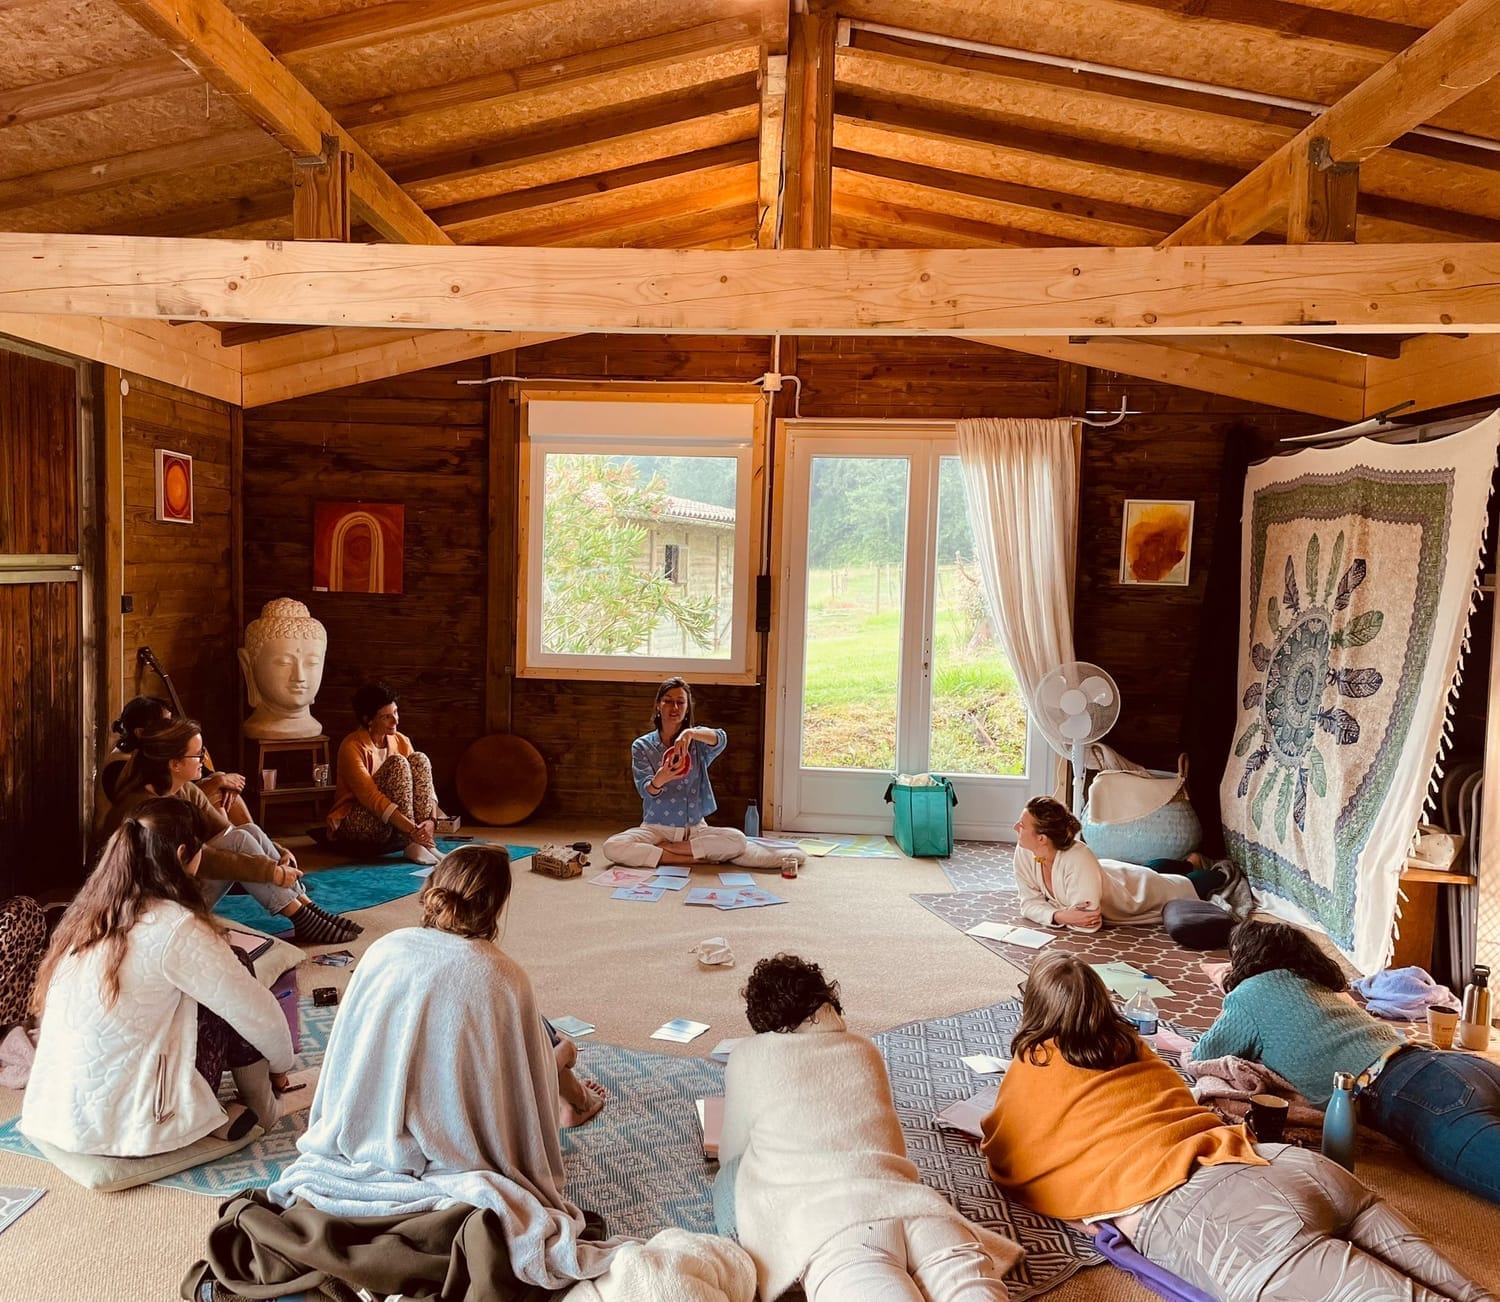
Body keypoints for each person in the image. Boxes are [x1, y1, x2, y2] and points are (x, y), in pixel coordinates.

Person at [981, 950, 1490, 1302]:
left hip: (1213, 1214)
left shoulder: (1034, 1061)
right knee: (1473, 1292)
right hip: (1281, 1163)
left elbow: (1007, 1153)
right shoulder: (1131, 1044)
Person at [267, 844, 623, 1291]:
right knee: (548, 1044)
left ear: (434, 890)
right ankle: (570, 1079)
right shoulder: (503, 976)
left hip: (366, 1130)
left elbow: (349, 1047)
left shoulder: (384, 948)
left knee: (529, 1039)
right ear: (496, 906)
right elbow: (518, 1088)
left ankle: (565, 1068)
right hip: (454, 1145)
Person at [719, 953, 1021, 1302]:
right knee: (973, 1291)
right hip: (917, 1207)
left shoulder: (748, 1055)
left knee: (731, 1180)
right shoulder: (864, 1048)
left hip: (834, 1226)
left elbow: (730, 1152)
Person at [22, 799, 295, 1161]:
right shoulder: (176, 926)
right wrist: (282, 1066)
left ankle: (214, 1114)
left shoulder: (87, 914)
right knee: (236, 972)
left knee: (195, 988)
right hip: (139, 1122)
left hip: (59, 1113)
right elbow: (260, 1016)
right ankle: (263, 1108)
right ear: (183, 854)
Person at [1191, 918, 1500, 1205]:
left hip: (1411, 1092)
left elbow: (1205, 1054)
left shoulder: (1248, 993)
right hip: (1456, 1063)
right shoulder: (1319, 988)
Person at [103, 718, 361, 946]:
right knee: (238, 841)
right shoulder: (147, 809)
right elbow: (207, 859)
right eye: (198, 755)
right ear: (175, 764)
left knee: (247, 831)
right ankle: (301, 917)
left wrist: (279, 851)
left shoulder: (184, 789)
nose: (204, 759)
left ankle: (307, 908)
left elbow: (226, 829)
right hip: (151, 910)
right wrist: (272, 871)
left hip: (175, 890)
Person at [604, 677, 793, 870]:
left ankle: (668, 850)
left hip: (695, 829)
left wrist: (690, 733)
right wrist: (660, 779)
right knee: (612, 846)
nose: (674, 707)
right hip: (657, 828)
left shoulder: (697, 743)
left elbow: (721, 738)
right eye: (668, 701)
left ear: (688, 708)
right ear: (658, 705)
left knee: (738, 839)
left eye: (680, 702)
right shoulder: (642, 745)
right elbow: (645, 791)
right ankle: (689, 858)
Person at [1013, 795, 1237, 931]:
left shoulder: (1078, 859)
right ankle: (1190, 862)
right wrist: (1060, 915)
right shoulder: (1026, 852)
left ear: (1042, 839)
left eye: (1022, 825)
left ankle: (1213, 870)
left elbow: (1088, 923)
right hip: (1112, 874)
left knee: (1184, 885)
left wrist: (1049, 911)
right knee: (1148, 870)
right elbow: (1028, 904)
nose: (1015, 828)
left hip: (1133, 894)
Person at [327, 682, 447, 867]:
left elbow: (425, 785)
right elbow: (371, 798)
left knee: (419, 759)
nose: (396, 721)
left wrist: (431, 821)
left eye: (396, 712)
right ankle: (413, 843)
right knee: (398, 763)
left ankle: (425, 843)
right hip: (359, 820)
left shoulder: (401, 740)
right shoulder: (351, 746)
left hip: (396, 824)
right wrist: (412, 831)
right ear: (368, 720)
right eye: (387, 717)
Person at [97, 695, 251, 830]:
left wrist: (222, 782)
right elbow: (163, 802)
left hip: (172, 814)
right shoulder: (119, 765)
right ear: (141, 732)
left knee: (221, 786)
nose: (173, 728)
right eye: (165, 724)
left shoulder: (157, 753)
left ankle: (251, 841)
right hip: (151, 828)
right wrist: (218, 783)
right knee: (218, 792)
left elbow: (204, 775)